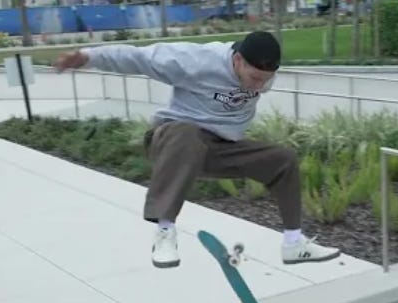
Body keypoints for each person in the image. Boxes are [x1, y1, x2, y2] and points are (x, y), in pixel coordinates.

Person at [53, 31, 341, 269]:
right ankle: (165, 231)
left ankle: (293, 243)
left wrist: (257, 82)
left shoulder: (264, 73)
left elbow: (259, 80)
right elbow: (139, 58)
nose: (259, 86)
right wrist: (89, 56)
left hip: (220, 149)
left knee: (283, 159)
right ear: (237, 60)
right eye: (254, 78)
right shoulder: (195, 60)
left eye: (265, 81)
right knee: (187, 134)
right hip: (171, 141)